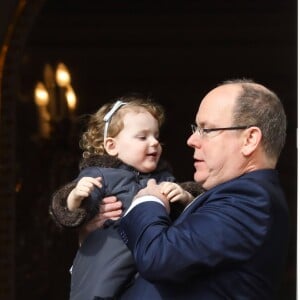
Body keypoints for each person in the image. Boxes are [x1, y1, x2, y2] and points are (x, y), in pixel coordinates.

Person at [99, 79, 290, 299]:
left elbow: (159, 256)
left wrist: (147, 201)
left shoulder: (251, 200)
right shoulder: (239, 198)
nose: (191, 140)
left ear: (249, 139)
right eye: (196, 129)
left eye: (206, 129)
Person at [49, 95, 203, 300]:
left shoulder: (162, 177)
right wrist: (76, 196)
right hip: (103, 265)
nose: (154, 143)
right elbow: (72, 211)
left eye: (157, 137)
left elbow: (189, 211)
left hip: (144, 269)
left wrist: (183, 196)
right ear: (112, 146)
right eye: (143, 137)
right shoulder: (100, 174)